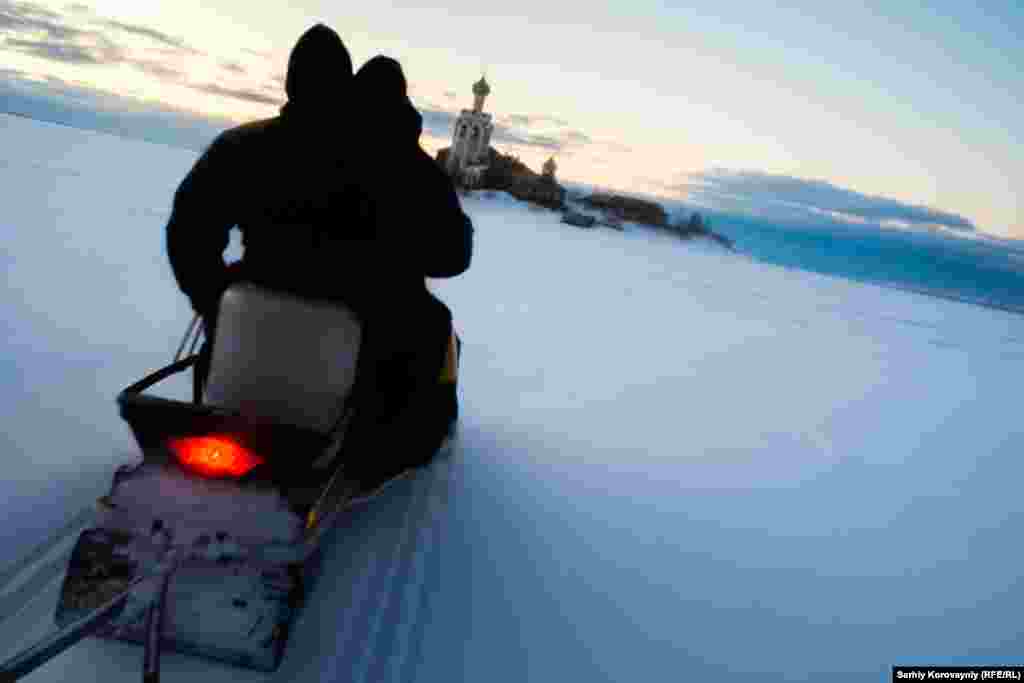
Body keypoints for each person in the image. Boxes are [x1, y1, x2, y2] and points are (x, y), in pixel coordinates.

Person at [165, 25, 473, 490]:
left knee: (230, 307)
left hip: (260, 295)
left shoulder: (243, 144)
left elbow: (189, 226)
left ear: (291, 82)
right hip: (364, 307)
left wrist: (210, 295)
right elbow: (452, 254)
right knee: (427, 331)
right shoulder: (398, 163)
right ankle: (391, 447)